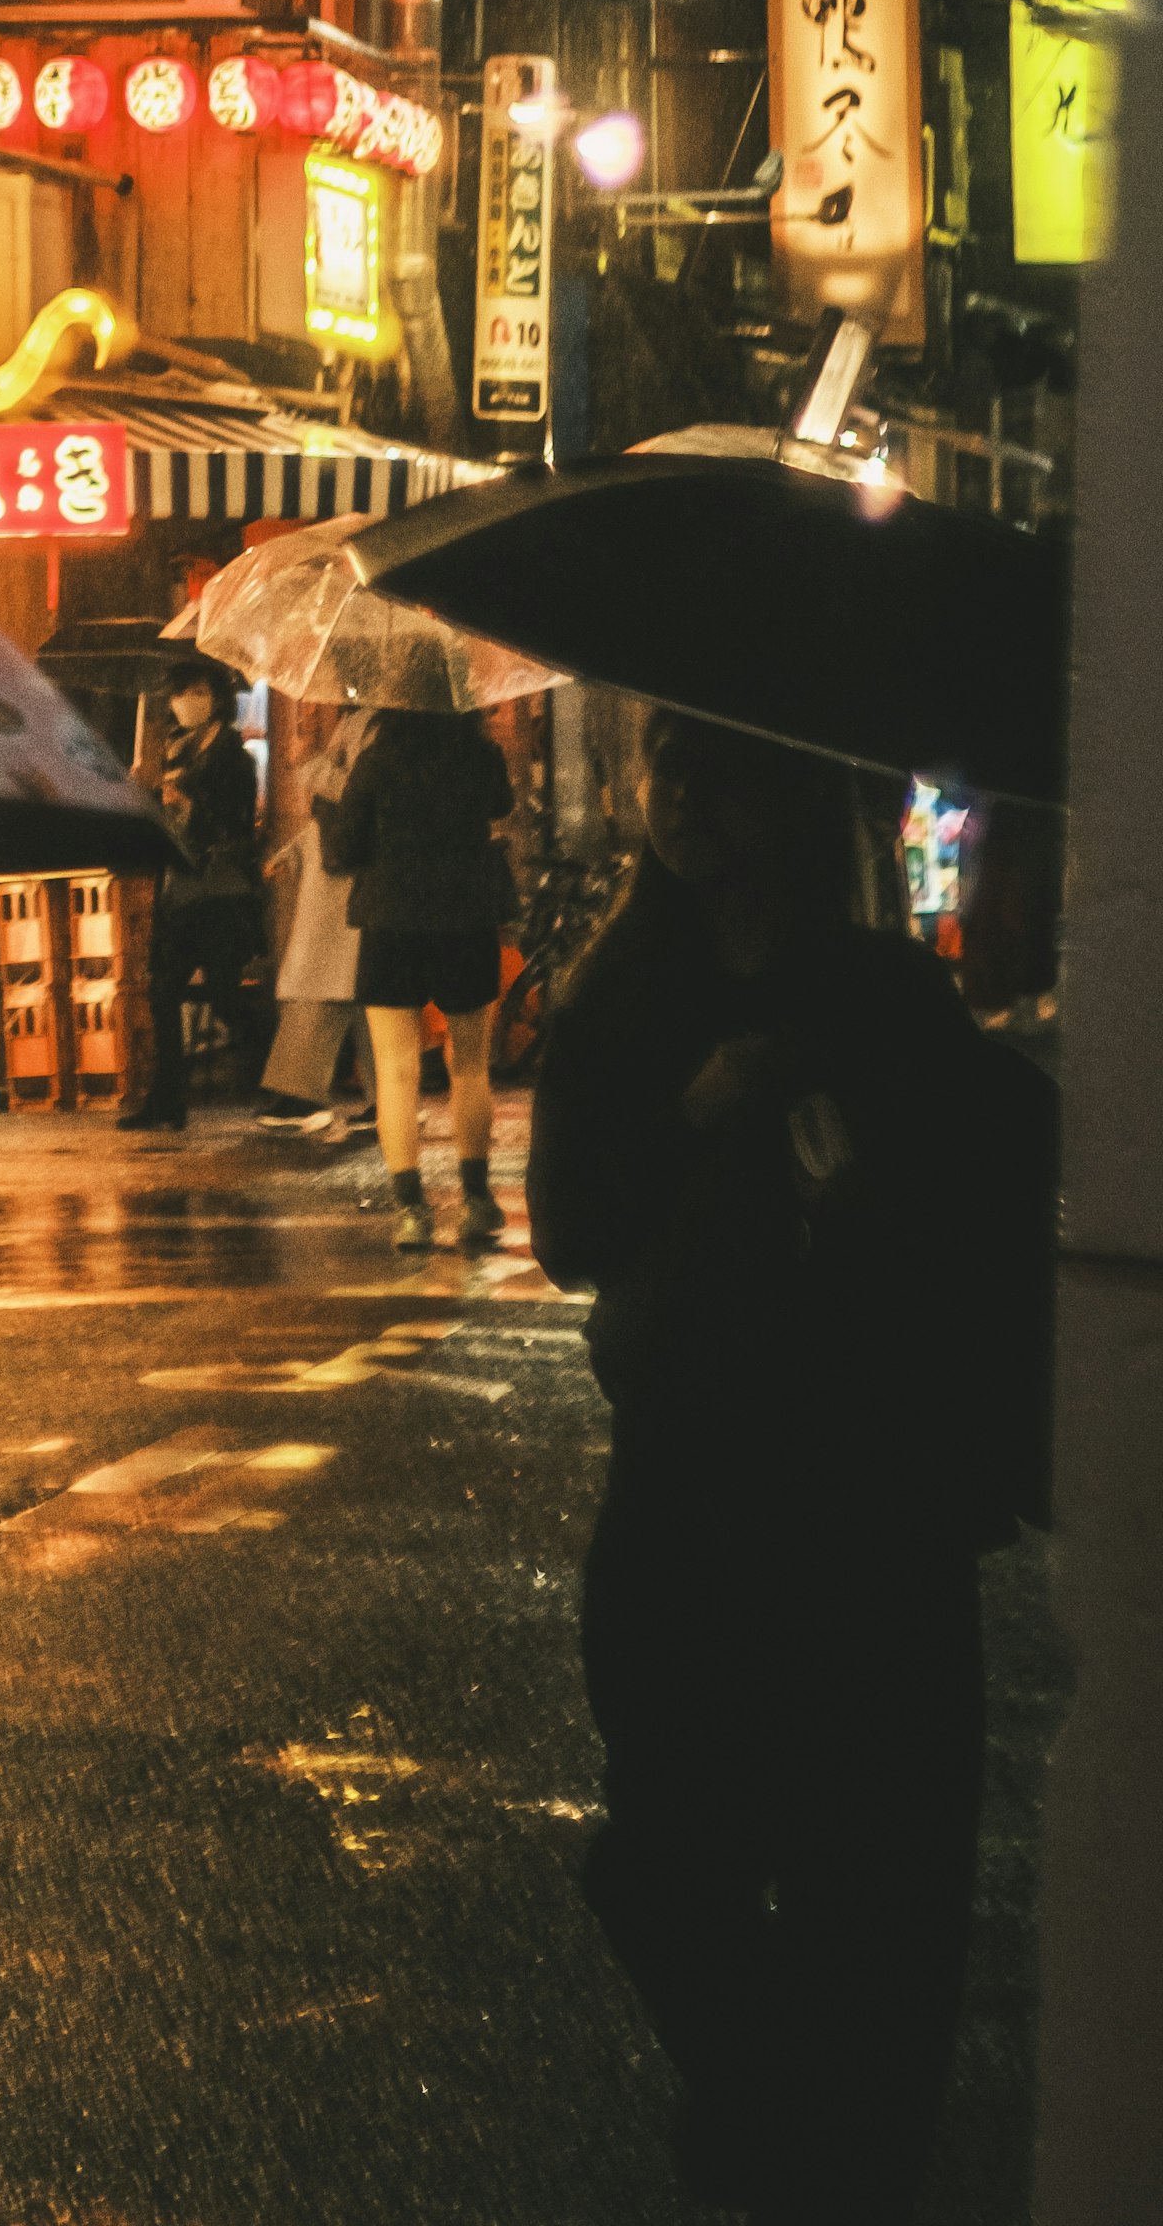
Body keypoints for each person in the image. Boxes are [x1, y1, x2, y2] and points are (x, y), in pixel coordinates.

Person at [527, 711, 1053, 2226]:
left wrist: (855, 1178)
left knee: (877, 1890)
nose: (682, 795)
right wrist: (690, 1118)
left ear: (792, 788)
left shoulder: (886, 999)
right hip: (689, 1496)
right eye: (663, 766)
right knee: (667, 1859)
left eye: (716, 765)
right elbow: (574, 1234)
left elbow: (976, 1215)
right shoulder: (625, 998)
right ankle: (777, 2120)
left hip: (871, 1508)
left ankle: (834, 2161)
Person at [322, 684, 514, 1247]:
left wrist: (333, 803)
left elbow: (344, 849)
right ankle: (477, 1201)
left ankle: (412, 1210)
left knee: (396, 1069)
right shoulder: (480, 755)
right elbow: (500, 805)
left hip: (391, 922)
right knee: (471, 1065)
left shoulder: (377, 759)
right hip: (466, 919)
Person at [118, 665, 267, 1128]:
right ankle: (166, 1100)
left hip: (220, 893)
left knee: (224, 994)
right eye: (182, 692)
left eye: (198, 692)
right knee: (162, 991)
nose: (188, 701)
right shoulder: (174, 752)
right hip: (181, 892)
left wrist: (191, 806)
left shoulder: (235, 758)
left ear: (217, 697)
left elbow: (238, 823)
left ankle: (272, 1077)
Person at [252, 707, 366, 1123]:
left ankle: (301, 1093)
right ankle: (385, 1094)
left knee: (324, 983)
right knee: (357, 990)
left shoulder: (373, 725)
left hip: (348, 876)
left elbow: (357, 794)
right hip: (338, 872)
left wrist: (310, 763)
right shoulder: (358, 721)